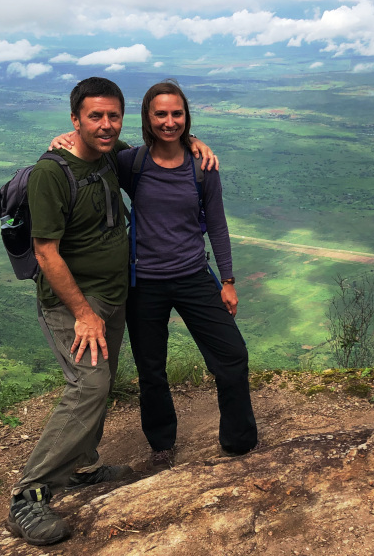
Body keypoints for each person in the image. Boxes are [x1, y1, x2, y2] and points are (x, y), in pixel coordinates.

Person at [7, 77, 216, 546]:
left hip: (114, 296)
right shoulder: (50, 174)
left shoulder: (108, 157)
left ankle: (81, 467)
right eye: (94, 116)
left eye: (112, 116)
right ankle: (28, 495)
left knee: (102, 383)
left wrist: (192, 140)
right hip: (75, 303)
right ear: (74, 119)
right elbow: (46, 253)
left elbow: (162, 143)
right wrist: (83, 311)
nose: (105, 125)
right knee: (90, 384)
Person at [123, 81, 257, 465]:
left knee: (232, 356)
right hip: (144, 282)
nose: (169, 122)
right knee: (151, 370)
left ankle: (239, 441)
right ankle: (162, 447)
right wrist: (66, 138)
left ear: (187, 116)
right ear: (147, 118)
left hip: (193, 275)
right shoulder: (131, 163)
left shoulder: (203, 166)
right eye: (160, 114)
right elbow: (94, 152)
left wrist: (228, 280)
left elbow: (217, 224)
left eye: (177, 114)